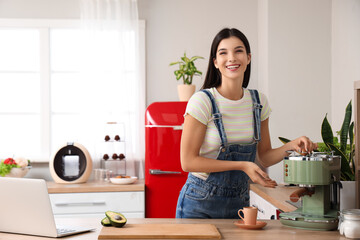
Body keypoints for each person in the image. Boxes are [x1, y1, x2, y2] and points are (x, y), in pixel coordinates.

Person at [175, 28, 318, 219]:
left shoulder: (259, 102)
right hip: (199, 203)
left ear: (248, 58)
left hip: (239, 203)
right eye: (223, 53)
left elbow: (264, 157)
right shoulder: (203, 101)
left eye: (238, 51)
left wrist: (292, 145)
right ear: (215, 62)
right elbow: (188, 162)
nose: (232, 58)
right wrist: (243, 165)